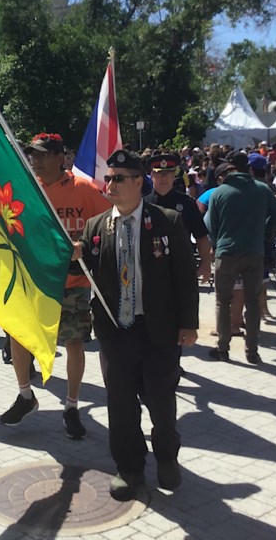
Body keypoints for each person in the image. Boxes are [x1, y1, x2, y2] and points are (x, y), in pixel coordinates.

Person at [76, 150, 199, 501]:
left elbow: (185, 279)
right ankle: (129, 469)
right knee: (120, 404)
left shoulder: (168, 221)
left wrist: (189, 325)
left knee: (161, 401)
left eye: (117, 178)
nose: (109, 184)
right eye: (108, 177)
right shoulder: (96, 226)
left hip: (158, 331)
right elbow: (82, 269)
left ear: (137, 183)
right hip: (116, 332)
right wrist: (71, 255)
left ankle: (166, 457)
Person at [0, 133, 111, 441]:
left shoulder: (84, 190)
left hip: (73, 283)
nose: (34, 159)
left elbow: (109, 225)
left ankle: (72, 407)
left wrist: (85, 245)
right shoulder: (26, 189)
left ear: (60, 157)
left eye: (40, 154)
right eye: (31, 154)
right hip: (32, 280)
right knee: (18, 335)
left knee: (74, 343)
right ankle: (25, 396)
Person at [206, 152, 276, 364]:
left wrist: (217, 242)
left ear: (230, 167)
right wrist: (263, 231)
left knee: (223, 301)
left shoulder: (219, 192)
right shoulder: (262, 189)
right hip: (254, 251)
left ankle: (223, 347)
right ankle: (252, 351)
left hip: (227, 251)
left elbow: (210, 225)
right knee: (252, 302)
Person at [144, 152, 212, 284]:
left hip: (181, 267)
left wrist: (205, 263)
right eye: (159, 173)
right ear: (151, 175)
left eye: (168, 173)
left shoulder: (187, 203)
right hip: (150, 269)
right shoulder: (142, 203)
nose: (164, 178)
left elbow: (201, 236)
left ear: (174, 175)